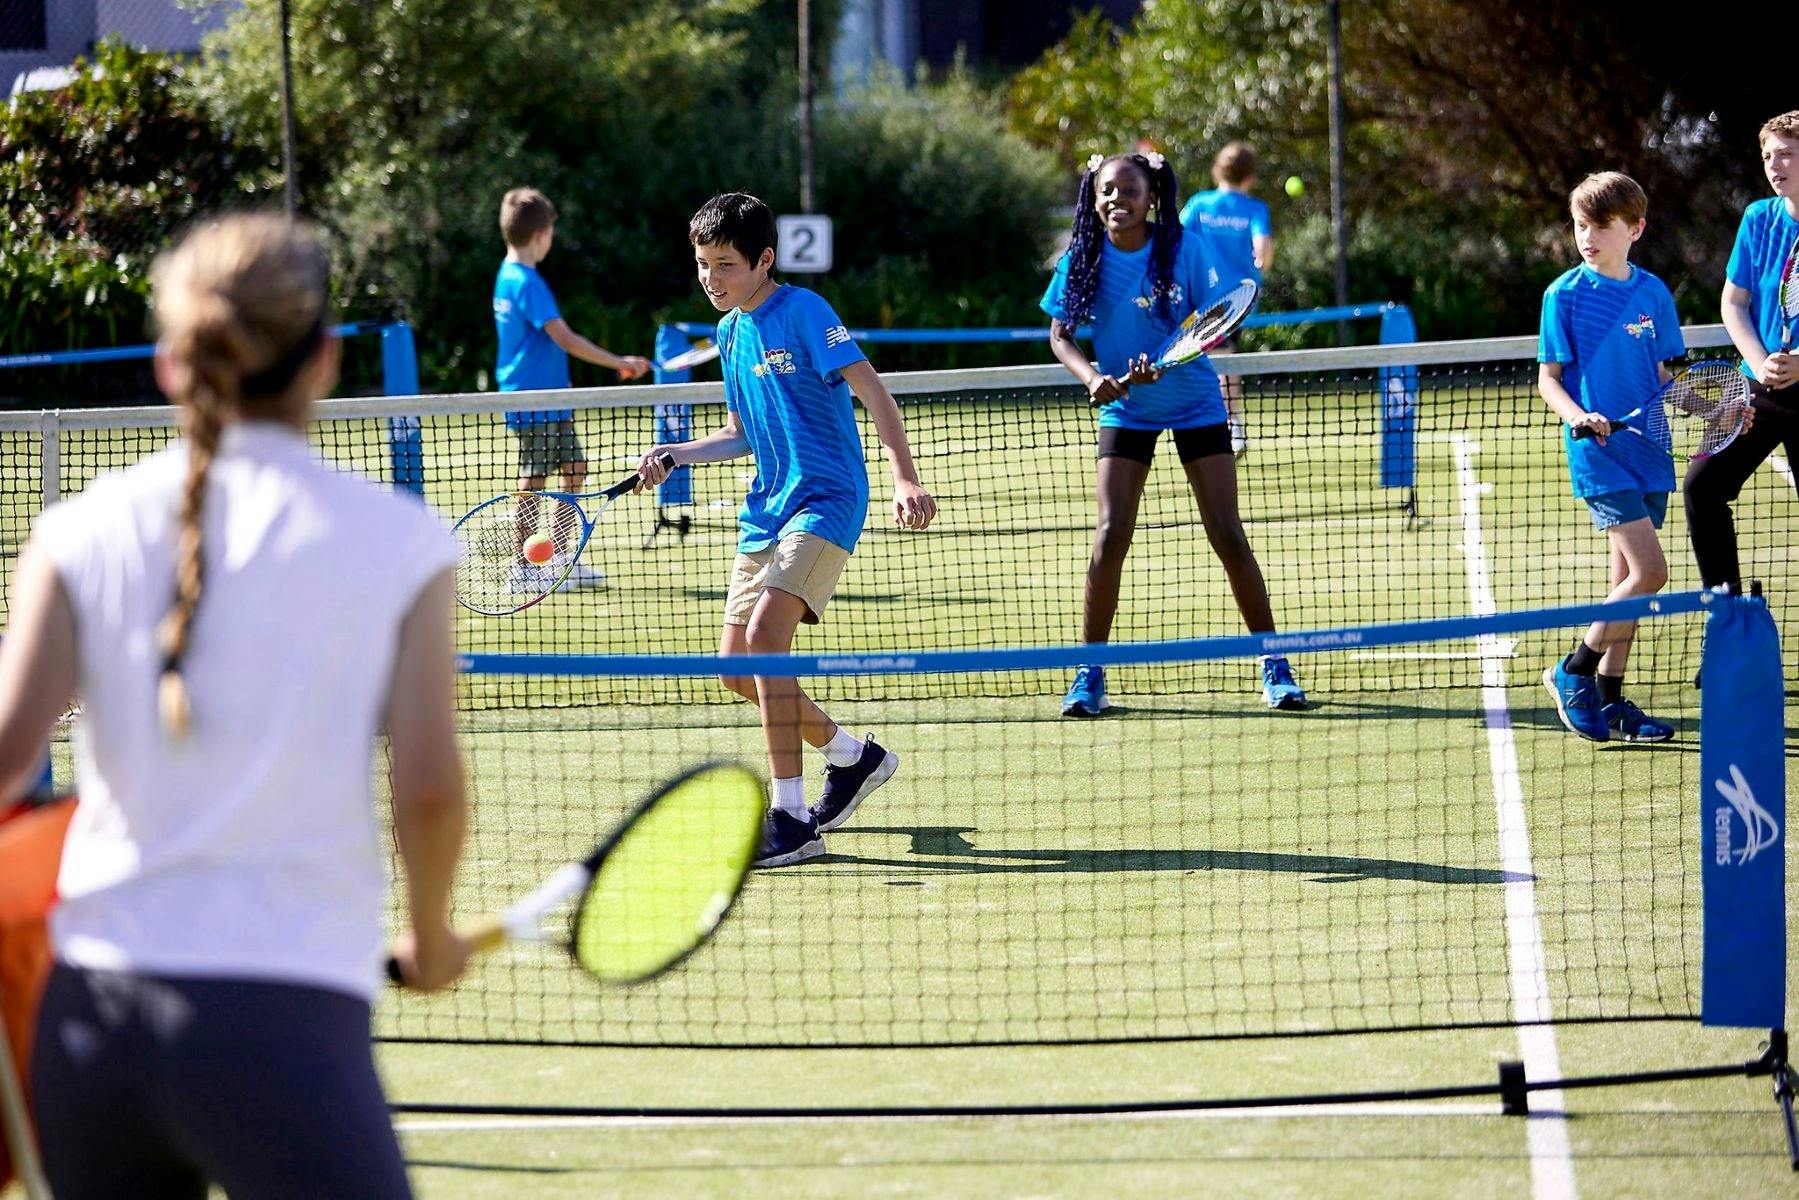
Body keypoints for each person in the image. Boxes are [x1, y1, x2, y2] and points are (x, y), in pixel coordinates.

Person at [0, 214, 471, 1199]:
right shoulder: (398, 541)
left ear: (172, 364)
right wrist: (430, 939)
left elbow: (4, 753)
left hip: (90, 1027)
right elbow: (427, 788)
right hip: (284, 1026)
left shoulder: (77, 528)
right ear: (327, 361)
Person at [635, 193, 936, 868]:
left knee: (769, 642)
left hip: (827, 500)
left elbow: (872, 389)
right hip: (765, 510)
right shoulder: (728, 333)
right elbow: (740, 433)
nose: (712, 279)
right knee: (738, 672)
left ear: (763, 260)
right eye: (702, 265)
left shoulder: (805, 312)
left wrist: (904, 477)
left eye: (726, 265)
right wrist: (677, 454)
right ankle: (852, 758)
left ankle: (790, 816)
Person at [1045, 151, 1305, 718]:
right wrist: (1094, 378)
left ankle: (1274, 664)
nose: (1119, 200)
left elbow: (1216, 314)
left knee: (1227, 534)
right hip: (1126, 412)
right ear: (1095, 198)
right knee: (1110, 535)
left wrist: (1168, 359)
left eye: (1131, 191)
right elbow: (1060, 334)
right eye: (1108, 191)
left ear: (1152, 197)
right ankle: (1089, 673)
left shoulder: (1183, 247)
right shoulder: (1083, 256)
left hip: (1194, 404)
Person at [1538, 172, 1683, 743]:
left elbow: (1666, 378)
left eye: (1601, 227)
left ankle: (1610, 697)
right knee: (1652, 572)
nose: (1588, 237)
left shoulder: (1654, 294)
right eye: (1581, 226)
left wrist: (1715, 409)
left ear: (1636, 229)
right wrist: (1578, 416)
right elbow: (1549, 380)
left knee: (1628, 582)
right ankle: (1572, 669)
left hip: (1650, 451)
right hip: (1598, 455)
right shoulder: (1563, 296)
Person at [494, 187, 652, 591]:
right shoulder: (525, 281)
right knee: (534, 481)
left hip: (551, 398)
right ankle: (523, 570)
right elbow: (564, 338)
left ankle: (561, 562)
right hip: (533, 399)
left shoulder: (510, 275)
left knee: (574, 469)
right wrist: (620, 362)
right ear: (541, 235)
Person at [1685, 110, 1799, 595]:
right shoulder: (1759, 218)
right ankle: (1729, 626)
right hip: (1764, 386)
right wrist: (1759, 363)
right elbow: (1734, 303)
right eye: (1768, 155)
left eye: (1788, 154)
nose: (1775, 165)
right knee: (1702, 486)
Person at [1178, 141, 1273, 455]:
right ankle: (1229, 426)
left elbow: (1174, 242)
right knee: (1222, 362)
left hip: (1212, 300)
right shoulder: (1254, 209)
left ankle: (1228, 427)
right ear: (1250, 177)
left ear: (1218, 170)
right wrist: (1259, 262)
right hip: (1237, 301)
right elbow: (1264, 253)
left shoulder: (1199, 204)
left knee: (1221, 362)